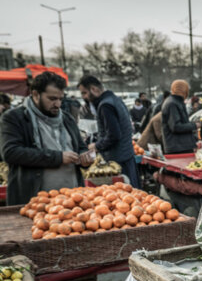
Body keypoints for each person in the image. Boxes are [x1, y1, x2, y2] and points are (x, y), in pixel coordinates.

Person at [1, 71, 92, 205]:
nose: (58, 104)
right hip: (34, 201)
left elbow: (81, 147)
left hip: (72, 200)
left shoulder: (67, 118)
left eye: (60, 99)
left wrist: (85, 157)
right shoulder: (14, 118)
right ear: (36, 95)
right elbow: (10, 152)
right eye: (52, 99)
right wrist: (58, 157)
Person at [77, 75, 141, 188]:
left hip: (118, 160)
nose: (84, 97)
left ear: (94, 89)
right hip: (127, 156)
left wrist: (96, 146)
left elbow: (114, 135)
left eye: (84, 93)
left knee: (123, 199)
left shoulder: (105, 105)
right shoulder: (115, 100)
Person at [161, 79, 200, 155]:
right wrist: (195, 125)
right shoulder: (172, 103)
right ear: (185, 90)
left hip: (181, 146)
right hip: (178, 148)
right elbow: (176, 126)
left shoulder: (177, 102)